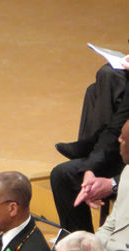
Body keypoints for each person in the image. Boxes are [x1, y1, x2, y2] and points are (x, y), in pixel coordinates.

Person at [51, 59, 129, 232]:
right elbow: (115, 130)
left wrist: (113, 184)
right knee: (63, 175)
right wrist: (90, 170)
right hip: (124, 161)